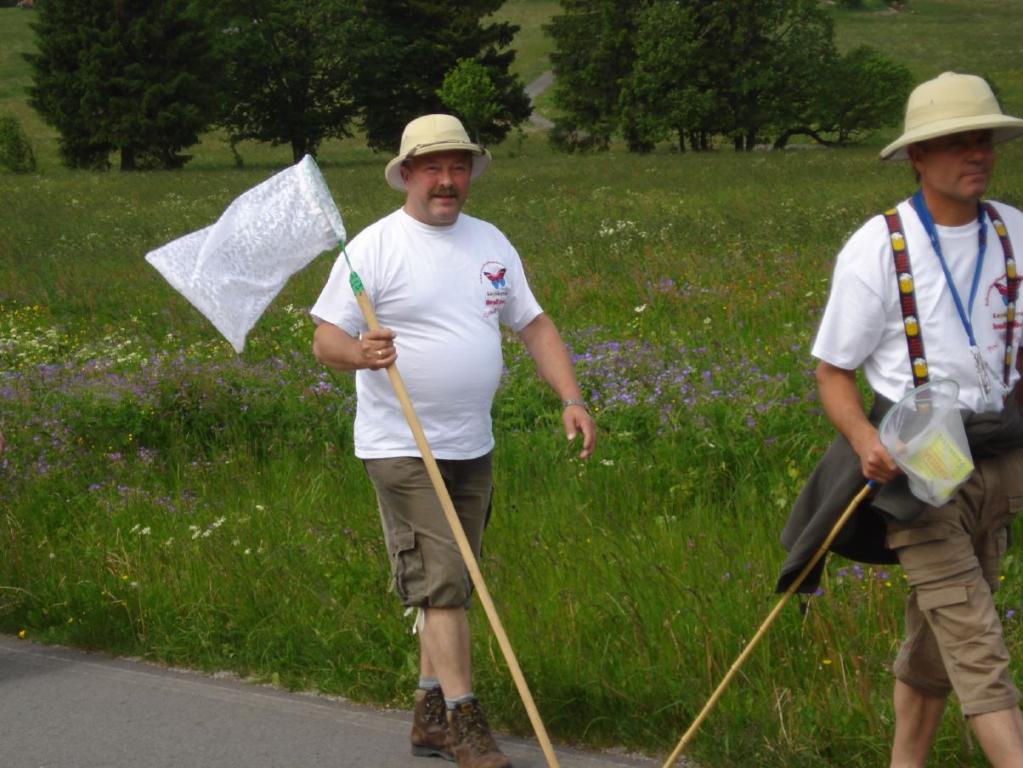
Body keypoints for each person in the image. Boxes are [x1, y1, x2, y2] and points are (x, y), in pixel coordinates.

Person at [310, 114, 596, 768]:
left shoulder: (490, 242)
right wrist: (361, 352)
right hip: (399, 444)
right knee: (444, 582)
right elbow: (325, 338)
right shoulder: (374, 248)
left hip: (472, 445)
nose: (446, 180)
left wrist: (571, 399)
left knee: (451, 579)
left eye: (457, 166)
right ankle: (466, 721)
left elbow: (535, 324)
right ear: (406, 173)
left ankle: (429, 708)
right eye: (432, 167)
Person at [779, 72, 1023, 767]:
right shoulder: (876, 248)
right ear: (917, 156)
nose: (974, 153)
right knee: (974, 638)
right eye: (955, 142)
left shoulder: (1014, 234)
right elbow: (832, 372)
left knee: (937, 633)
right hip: (916, 472)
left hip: (999, 464)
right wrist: (862, 441)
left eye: (982, 138)